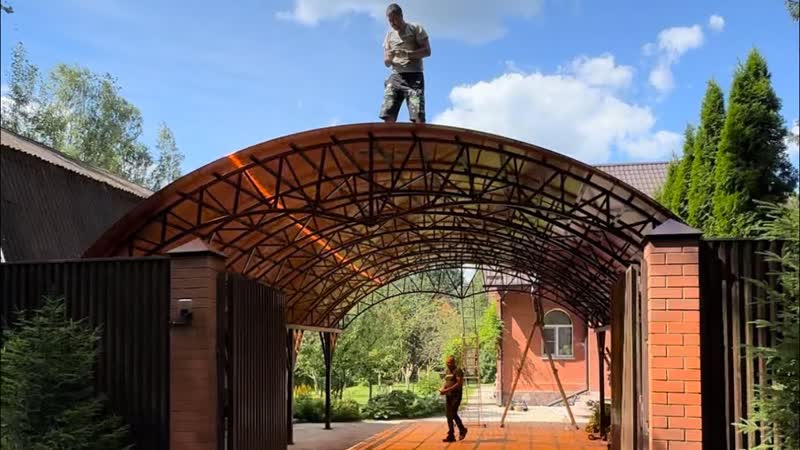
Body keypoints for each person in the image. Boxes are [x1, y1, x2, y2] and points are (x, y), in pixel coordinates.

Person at [379, 3, 431, 123]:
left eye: (395, 19)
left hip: (414, 76)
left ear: (401, 16)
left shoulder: (415, 28)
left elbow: (427, 51)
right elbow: (386, 61)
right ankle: (388, 134)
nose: (393, 23)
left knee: (417, 116)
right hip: (396, 76)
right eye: (390, 21)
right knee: (387, 113)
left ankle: (418, 134)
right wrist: (389, 58)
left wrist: (407, 54)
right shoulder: (389, 36)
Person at [439, 355, 468, 442]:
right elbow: (447, 381)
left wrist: (447, 390)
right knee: (449, 415)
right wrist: (443, 388)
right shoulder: (447, 371)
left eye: (450, 363)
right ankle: (451, 435)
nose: (448, 364)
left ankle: (462, 430)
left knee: (453, 413)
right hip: (449, 395)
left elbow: (459, 384)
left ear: (454, 362)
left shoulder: (458, 371)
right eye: (447, 363)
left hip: (456, 396)